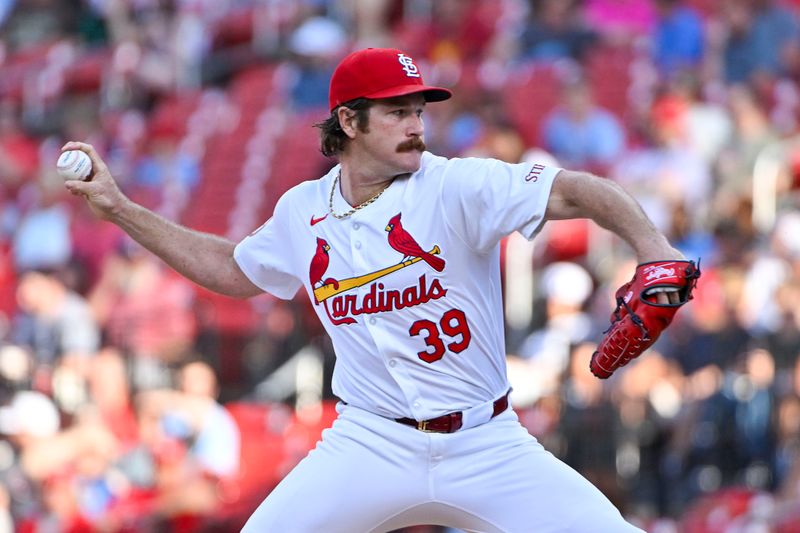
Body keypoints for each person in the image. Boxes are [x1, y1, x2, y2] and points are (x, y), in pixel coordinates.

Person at [63, 47, 685, 532]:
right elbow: (232, 269)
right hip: (370, 442)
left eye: (418, 109)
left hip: (486, 441)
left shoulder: (455, 186)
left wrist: (654, 250)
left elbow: (575, 190)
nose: (415, 124)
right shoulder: (301, 210)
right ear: (348, 120)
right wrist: (119, 208)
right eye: (396, 111)